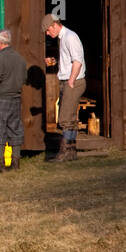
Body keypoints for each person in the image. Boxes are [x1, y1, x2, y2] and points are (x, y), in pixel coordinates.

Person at [44, 15, 85, 162]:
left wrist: (71, 81)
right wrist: (54, 61)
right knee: (71, 118)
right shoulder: (63, 38)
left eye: (48, 30)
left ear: (55, 25)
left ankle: (65, 151)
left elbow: (77, 60)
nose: (48, 34)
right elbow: (69, 60)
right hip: (68, 80)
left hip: (72, 81)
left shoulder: (70, 37)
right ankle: (72, 151)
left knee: (64, 118)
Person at [0, 29, 27, 172]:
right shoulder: (20, 58)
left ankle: (0, 164)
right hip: (15, 98)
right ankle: (16, 163)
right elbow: (24, 79)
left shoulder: (0, 58)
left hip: (1, 98)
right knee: (15, 129)